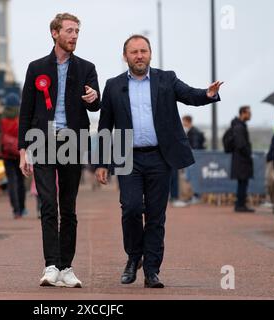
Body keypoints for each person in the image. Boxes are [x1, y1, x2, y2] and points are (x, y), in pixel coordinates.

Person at [95, 34, 222, 288]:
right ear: (125, 57)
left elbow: (189, 95)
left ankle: (151, 269)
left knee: (156, 215)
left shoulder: (167, 79)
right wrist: (101, 162)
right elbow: (105, 126)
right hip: (126, 156)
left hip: (159, 157)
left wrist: (207, 94)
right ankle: (133, 257)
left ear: (150, 53)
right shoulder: (113, 85)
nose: (139, 55)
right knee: (130, 208)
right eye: (134, 52)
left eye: (143, 51)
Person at [18, 13, 100, 288]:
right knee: (48, 205)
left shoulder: (87, 68)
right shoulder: (36, 67)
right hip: (42, 141)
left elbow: (94, 104)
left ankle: (67, 267)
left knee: (69, 207)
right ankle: (51, 265)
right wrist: (22, 150)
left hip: (73, 141)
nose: (74, 35)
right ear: (55, 33)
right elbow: (26, 110)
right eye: (69, 31)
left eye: (77, 31)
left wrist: (93, 97)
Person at [0, 106, 27, 219]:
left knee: (11, 181)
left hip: (6, 153)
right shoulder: (20, 116)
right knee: (20, 181)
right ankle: (22, 207)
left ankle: (16, 210)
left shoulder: (1, 117)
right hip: (19, 152)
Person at [230, 106, 255, 213]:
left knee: (242, 183)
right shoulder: (239, 127)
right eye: (249, 113)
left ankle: (240, 204)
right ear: (243, 113)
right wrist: (248, 153)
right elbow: (241, 144)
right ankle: (240, 205)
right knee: (242, 183)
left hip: (240, 159)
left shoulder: (239, 125)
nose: (250, 115)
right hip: (241, 160)